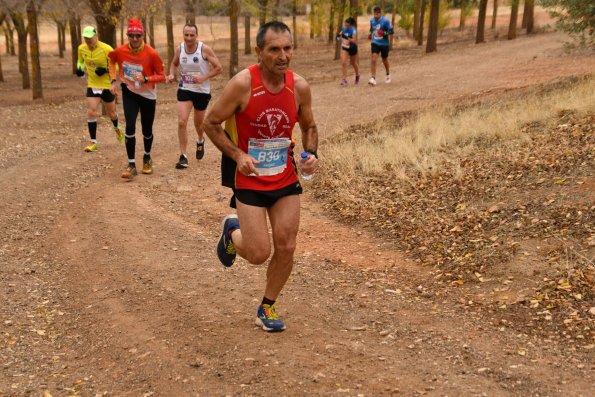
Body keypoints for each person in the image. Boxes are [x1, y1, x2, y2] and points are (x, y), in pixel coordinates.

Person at [203, 21, 319, 332]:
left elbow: (309, 127)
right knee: (257, 253)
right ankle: (232, 232)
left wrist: (311, 154)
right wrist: (238, 156)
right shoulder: (242, 85)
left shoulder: (299, 87)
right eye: (274, 49)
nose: (283, 56)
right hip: (250, 178)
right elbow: (211, 123)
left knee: (287, 245)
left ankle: (267, 307)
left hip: (284, 178)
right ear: (259, 52)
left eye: (287, 48)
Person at [108, 18, 166, 179]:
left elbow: (162, 76)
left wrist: (146, 79)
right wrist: (112, 80)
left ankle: (147, 157)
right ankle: (131, 164)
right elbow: (111, 60)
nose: (134, 38)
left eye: (138, 35)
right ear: (127, 35)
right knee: (130, 126)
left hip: (148, 95)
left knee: (146, 129)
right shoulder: (120, 51)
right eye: (131, 35)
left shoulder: (151, 53)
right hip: (129, 92)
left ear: (143, 35)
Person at [167, 24, 222, 169]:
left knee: (198, 124)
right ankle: (183, 156)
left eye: (192, 35)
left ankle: (200, 140)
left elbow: (219, 68)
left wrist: (204, 77)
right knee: (181, 122)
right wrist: (172, 73)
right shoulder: (180, 49)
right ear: (183, 35)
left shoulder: (204, 49)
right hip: (185, 88)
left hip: (201, 91)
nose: (189, 38)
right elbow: (174, 63)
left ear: (196, 35)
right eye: (186, 35)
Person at [76, 26, 123, 152]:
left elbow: (118, 65)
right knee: (91, 111)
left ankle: (117, 128)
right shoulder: (81, 48)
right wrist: (79, 68)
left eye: (90, 38)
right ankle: (93, 142)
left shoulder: (106, 49)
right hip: (92, 84)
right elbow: (80, 61)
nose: (87, 41)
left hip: (107, 85)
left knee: (111, 113)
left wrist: (105, 70)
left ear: (96, 36)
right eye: (85, 38)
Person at [368, 6, 394, 86]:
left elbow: (392, 31)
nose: (375, 16)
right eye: (374, 14)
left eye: (377, 14)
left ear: (380, 13)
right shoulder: (372, 20)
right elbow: (371, 29)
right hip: (375, 42)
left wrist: (384, 33)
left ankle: (388, 74)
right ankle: (373, 78)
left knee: (384, 60)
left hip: (384, 44)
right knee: (373, 58)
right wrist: (369, 34)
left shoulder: (385, 21)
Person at [337, 17, 360, 86]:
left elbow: (354, 40)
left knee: (353, 63)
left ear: (350, 25)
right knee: (344, 63)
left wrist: (346, 37)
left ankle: (357, 75)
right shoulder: (343, 28)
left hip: (352, 47)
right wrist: (338, 36)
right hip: (345, 47)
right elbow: (341, 33)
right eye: (345, 25)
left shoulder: (353, 30)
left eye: (347, 25)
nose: (345, 26)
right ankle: (344, 80)